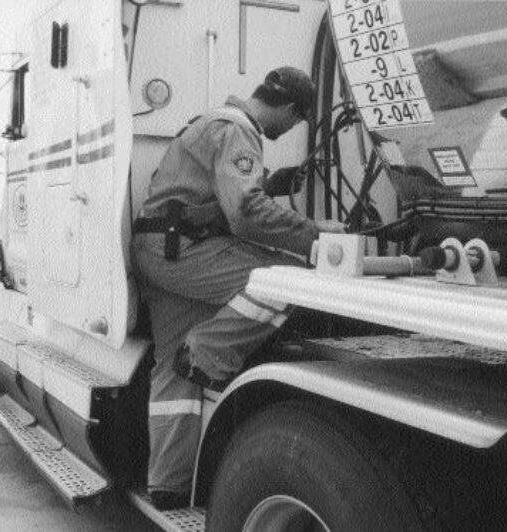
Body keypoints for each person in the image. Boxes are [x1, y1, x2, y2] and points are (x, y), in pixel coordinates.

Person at [130, 66, 346, 510]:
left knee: (171, 367)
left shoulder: (216, 120)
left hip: (161, 249)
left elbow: (211, 193)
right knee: (289, 280)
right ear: (289, 108)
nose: (290, 131)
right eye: (297, 121)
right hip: (185, 252)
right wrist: (315, 234)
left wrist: (275, 183)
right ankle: (208, 350)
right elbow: (245, 211)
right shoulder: (238, 130)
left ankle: (168, 484)